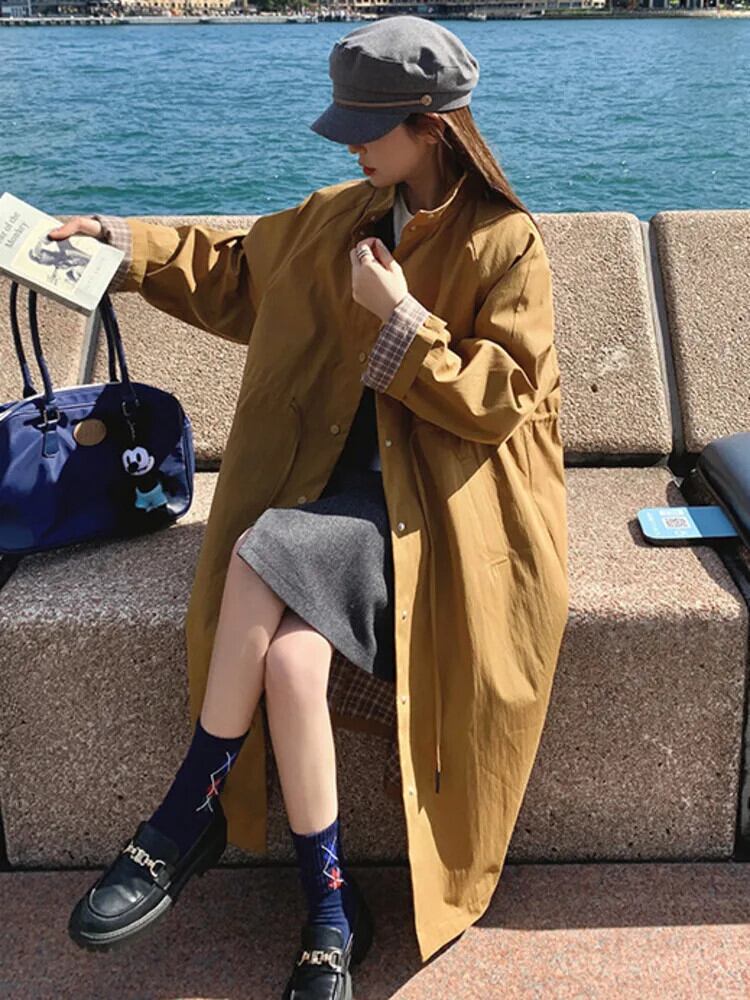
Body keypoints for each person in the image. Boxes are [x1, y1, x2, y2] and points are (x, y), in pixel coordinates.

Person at [50, 14, 569, 1000]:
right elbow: (235, 269)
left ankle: (186, 812)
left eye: (368, 129)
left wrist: (402, 320)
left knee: (258, 549)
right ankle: (329, 903)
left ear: (431, 127)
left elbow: (503, 398)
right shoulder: (342, 216)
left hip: (437, 519)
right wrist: (114, 241)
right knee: (290, 662)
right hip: (335, 500)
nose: (349, 146)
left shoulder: (506, 242)